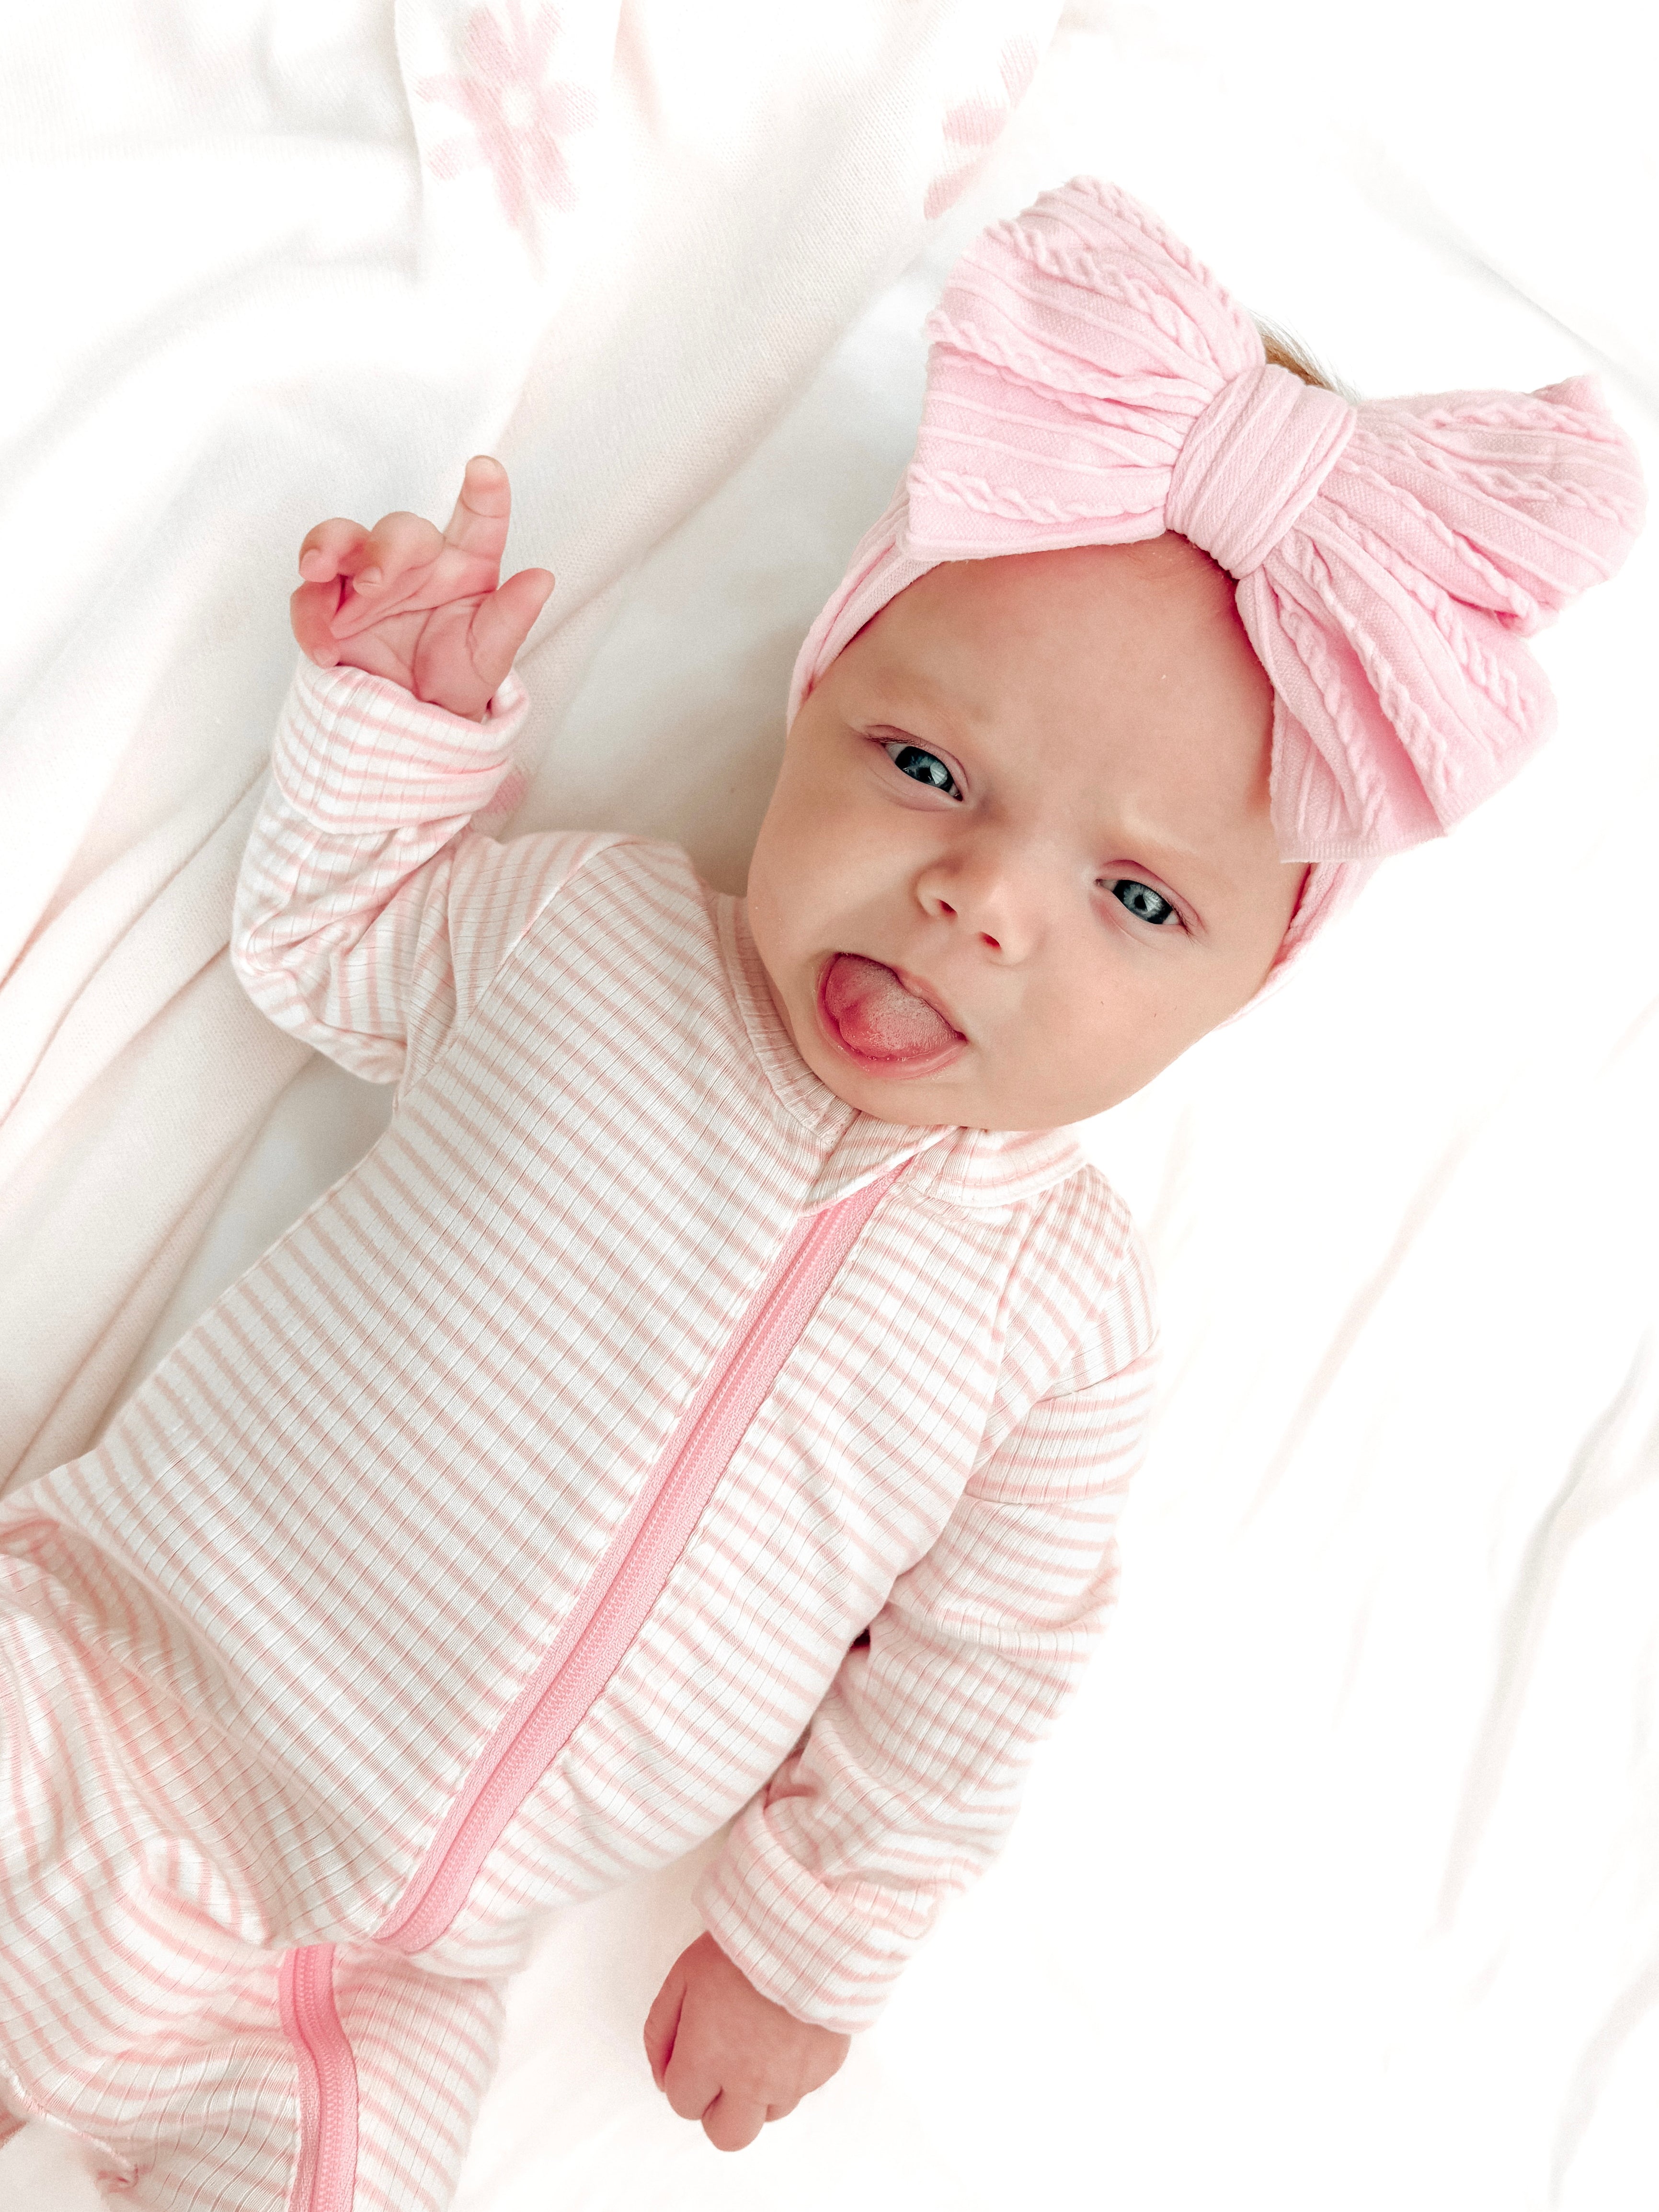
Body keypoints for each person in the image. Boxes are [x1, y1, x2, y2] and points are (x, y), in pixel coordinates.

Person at [0, 179, 1641, 2212]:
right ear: (812, 707)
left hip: (370, 1982)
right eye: (923, 768)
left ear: (1245, 987)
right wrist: (395, 720)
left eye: (1134, 898)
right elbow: (334, 945)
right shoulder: (590, 938)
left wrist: (807, 1945)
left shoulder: (1055, 1321)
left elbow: (976, 1669)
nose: (978, 902)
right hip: (85, 1676)